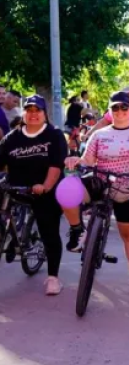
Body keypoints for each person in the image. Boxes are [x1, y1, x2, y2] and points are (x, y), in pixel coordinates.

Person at [64, 91, 129, 297]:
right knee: (68, 188)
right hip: (100, 182)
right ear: (109, 110)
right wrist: (74, 161)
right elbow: (87, 160)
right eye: (115, 107)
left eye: (123, 107)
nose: (119, 111)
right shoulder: (100, 134)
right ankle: (77, 230)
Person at [0, 95, 67, 295]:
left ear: (44, 114)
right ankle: (11, 236)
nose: (33, 114)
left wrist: (45, 186)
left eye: (37, 110)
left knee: (49, 231)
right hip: (16, 187)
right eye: (29, 110)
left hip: (44, 189)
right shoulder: (12, 137)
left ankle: (53, 277)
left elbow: (56, 166)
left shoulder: (54, 135)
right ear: (24, 114)